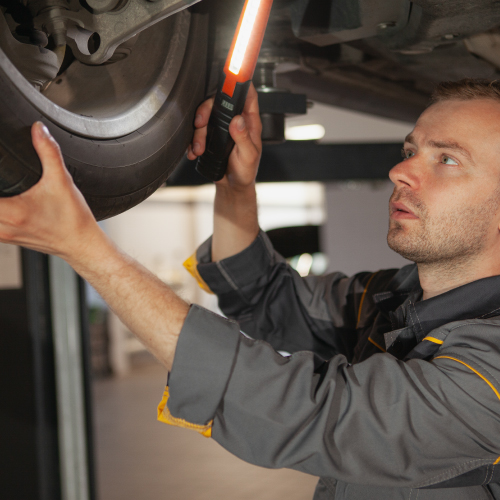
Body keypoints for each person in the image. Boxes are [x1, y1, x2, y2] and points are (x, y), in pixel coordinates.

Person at [1, 78, 500, 500]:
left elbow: (309, 412)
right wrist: (235, 188)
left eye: (448, 160)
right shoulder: (392, 298)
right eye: (411, 150)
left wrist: (89, 250)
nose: (400, 170)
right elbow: (266, 298)